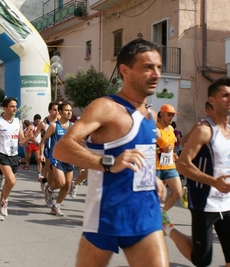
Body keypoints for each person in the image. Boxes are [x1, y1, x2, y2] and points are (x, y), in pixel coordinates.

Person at [52, 39, 168, 267]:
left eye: (158, 67)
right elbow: (62, 147)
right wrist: (108, 162)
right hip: (107, 214)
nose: (156, 74)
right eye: (147, 67)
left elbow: (136, 156)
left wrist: (150, 177)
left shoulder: (150, 116)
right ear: (125, 70)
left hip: (145, 213)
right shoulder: (106, 107)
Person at [165, 77, 230, 267]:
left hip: (228, 204)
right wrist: (213, 182)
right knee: (202, 259)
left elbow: (224, 165)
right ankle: (167, 227)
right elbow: (183, 165)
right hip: (204, 202)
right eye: (225, 95)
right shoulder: (203, 130)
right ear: (212, 100)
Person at [0, 97, 32, 221]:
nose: (14, 108)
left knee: (8, 184)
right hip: (2, 155)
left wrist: (28, 138)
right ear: (5, 108)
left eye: (15, 106)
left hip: (14, 156)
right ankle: (4, 203)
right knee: (11, 180)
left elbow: (21, 142)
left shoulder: (18, 122)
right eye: (12, 106)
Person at [40, 102, 74, 216]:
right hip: (56, 158)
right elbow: (44, 140)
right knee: (61, 182)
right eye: (66, 110)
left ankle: (56, 206)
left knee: (67, 185)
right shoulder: (54, 126)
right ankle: (49, 190)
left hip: (68, 158)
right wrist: (41, 154)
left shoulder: (73, 126)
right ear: (60, 112)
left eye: (70, 110)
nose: (69, 112)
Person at [156, 104, 182, 215]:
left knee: (178, 192)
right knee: (156, 195)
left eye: (173, 115)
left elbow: (170, 145)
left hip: (169, 165)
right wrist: (161, 149)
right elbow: (147, 147)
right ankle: (152, 216)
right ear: (161, 114)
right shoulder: (156, 130)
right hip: (155, 167)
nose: (171, 117)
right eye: (169, 115)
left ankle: (162, 213)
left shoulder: (171, 128)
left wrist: (173, 154)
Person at [33, 101, 59, 189]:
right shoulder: (44, 124)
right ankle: (49, 191)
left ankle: (43, 180)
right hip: (47, 150)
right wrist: (39, 146)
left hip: (58, 150)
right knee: (51, 172)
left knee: (50, 172)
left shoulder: (60, 122)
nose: (57, 112)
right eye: (54, 110)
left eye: (58, 110)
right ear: (49, 110)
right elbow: (34, 137)